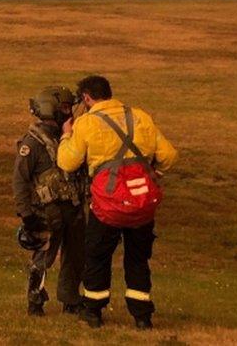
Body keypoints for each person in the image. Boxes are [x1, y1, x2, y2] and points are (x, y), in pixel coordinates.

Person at [58, 75, 178, 329]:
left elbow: (68, 162)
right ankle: (142, 316)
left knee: (97, 256)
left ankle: (92, 312)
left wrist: (67, 136)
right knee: (137, 258)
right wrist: (156, 173)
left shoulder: (87, 123)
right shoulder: (140, 116)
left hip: (108, 205)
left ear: (88, 98)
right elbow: (168, 155)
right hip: (141, 205)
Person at [13, 86, 85, 317]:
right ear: (49, 109)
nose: (69, 112)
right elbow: (20, 180)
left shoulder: (69, 138)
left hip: (73, 208)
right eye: (64, 108)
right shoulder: (32, 143)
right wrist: (26, 214)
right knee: (44, 257)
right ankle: (35, 301)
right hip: (48, 212)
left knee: (74, 257)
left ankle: (71, 300)